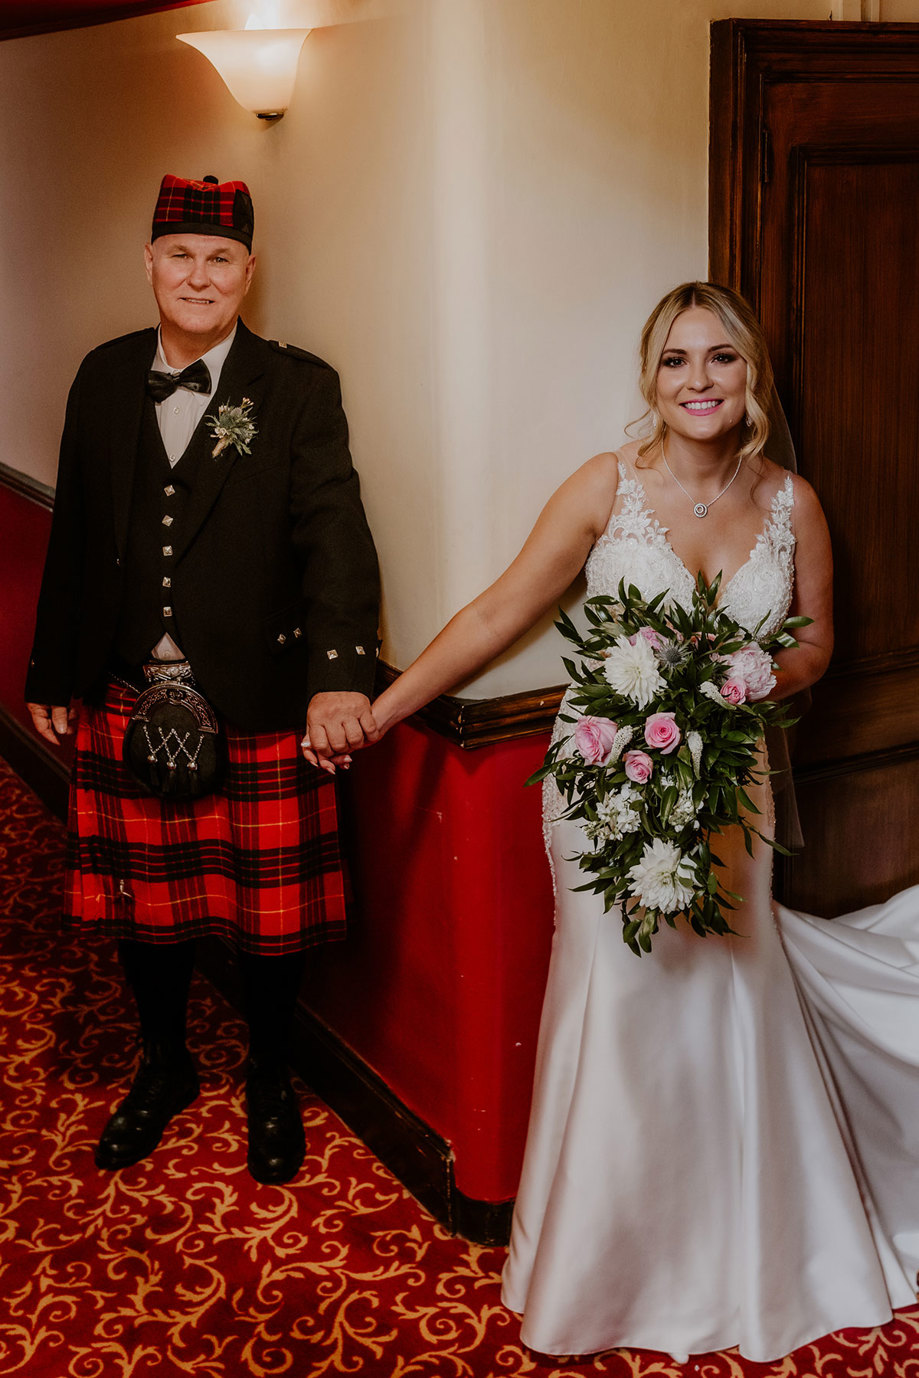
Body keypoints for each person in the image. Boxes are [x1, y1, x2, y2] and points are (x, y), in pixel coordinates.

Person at [322, 283, 919, 1362]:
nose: (698, 381)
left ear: (750, 381)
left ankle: (750, 1248)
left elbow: (818, 643)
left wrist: (752, 673)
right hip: (599, 788)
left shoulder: (794, 501)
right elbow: (502, 611)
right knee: (620, 1000)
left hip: (727, 783)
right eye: (676, 361)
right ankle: (607, 1260)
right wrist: (384, 706)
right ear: (650, 380)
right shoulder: (605, 486)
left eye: (721, 360)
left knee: (729, 995)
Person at [26, 174, 380, 1186]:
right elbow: (79, 536)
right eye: (179, 254)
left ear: (248, 272)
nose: (198, 274)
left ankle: (270, 1072)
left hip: (256, 694)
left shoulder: (297, 386)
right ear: (147, 263)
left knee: (268, 918)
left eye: (219, 258)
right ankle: (165, 1059)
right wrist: (56, 664)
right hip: (126, 689)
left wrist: (338, 676)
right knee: (146, 903)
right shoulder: (99, 377)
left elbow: (335, 538)